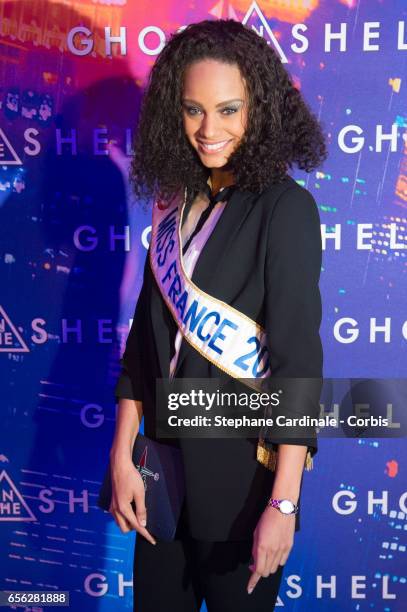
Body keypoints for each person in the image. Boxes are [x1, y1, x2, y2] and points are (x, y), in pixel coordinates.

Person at [108, 18, 327, 612]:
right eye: (193, 109)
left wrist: (283, 506)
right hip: (159, 471)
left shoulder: (286, 209)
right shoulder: (173, 201)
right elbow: (142, 348)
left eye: (229, 110)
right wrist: (122, 457)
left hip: (241, 486)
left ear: (260, 110)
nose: (209, 130)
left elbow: (298, 368)